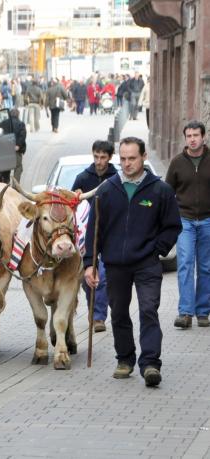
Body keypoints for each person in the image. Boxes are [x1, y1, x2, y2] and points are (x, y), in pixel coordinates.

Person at [84, 137, 181, 387]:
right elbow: (93, 232)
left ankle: (150, 364)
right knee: (118, 312)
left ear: (144, 157)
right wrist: (90, 264)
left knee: (149, 310)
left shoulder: (160, 191)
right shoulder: (106, 190)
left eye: (132, 158)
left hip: (147, 263)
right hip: (115, 264)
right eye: (123, 159)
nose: (127, 164)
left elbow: (172, 226)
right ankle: (125, 359)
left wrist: (156, 250)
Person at [166, 121, 210, 329]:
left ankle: (203, 312)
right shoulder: (177, 163)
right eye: (189, 136)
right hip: (184, 220)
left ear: (203, 137)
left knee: (206, 267)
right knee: (185, 265)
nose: (192, 139)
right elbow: (167, 193)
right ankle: (185, 312)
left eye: (196, 135)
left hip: (208, 220)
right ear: (185, 138)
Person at [72, 140, 117, 333]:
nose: (99, 161)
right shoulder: (82, 178)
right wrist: (76, 196)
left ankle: (99, 317)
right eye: (96, 157)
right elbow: (71, 204)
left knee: (103, 277)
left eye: (103, 157)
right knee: (86, 278)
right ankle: (93, 309)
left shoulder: (116, 178)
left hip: (108, 234)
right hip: (86, 236)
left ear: (110, 157)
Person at [0, 108, 27, 181]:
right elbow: (22, 135)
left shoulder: (2, 123)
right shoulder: (21, 124)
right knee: (18, 168)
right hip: (16, 151)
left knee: (5, 169)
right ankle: (15, 187)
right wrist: (18, 145)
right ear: (18, 115)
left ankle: (5, 185)